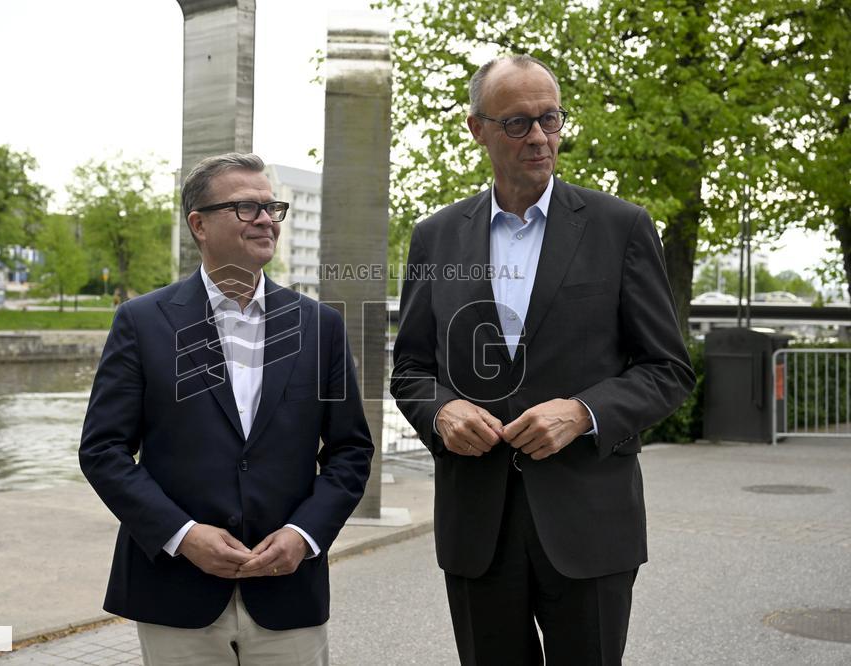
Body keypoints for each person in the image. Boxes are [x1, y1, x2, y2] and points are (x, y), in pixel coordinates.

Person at [391, 55, 695, 665]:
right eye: (518, 123)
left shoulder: (622, 227)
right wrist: (443, 410)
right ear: (477, 128)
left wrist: (584, 412)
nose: (539, 137)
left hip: (590, 524)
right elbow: (412, 369)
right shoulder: (436, 236)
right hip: (478, 527)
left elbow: (667, 368)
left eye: (550, 119)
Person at [80, 152, 373, 665]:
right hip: (176, 590)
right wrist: (183, 534)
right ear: (199, 224)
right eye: (246, 207)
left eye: (271, 208)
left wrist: (305, 535)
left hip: (289, 592)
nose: (266, 219)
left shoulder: (320, 325)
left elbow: (349, 450)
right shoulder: (141, 321)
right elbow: (103, 450)